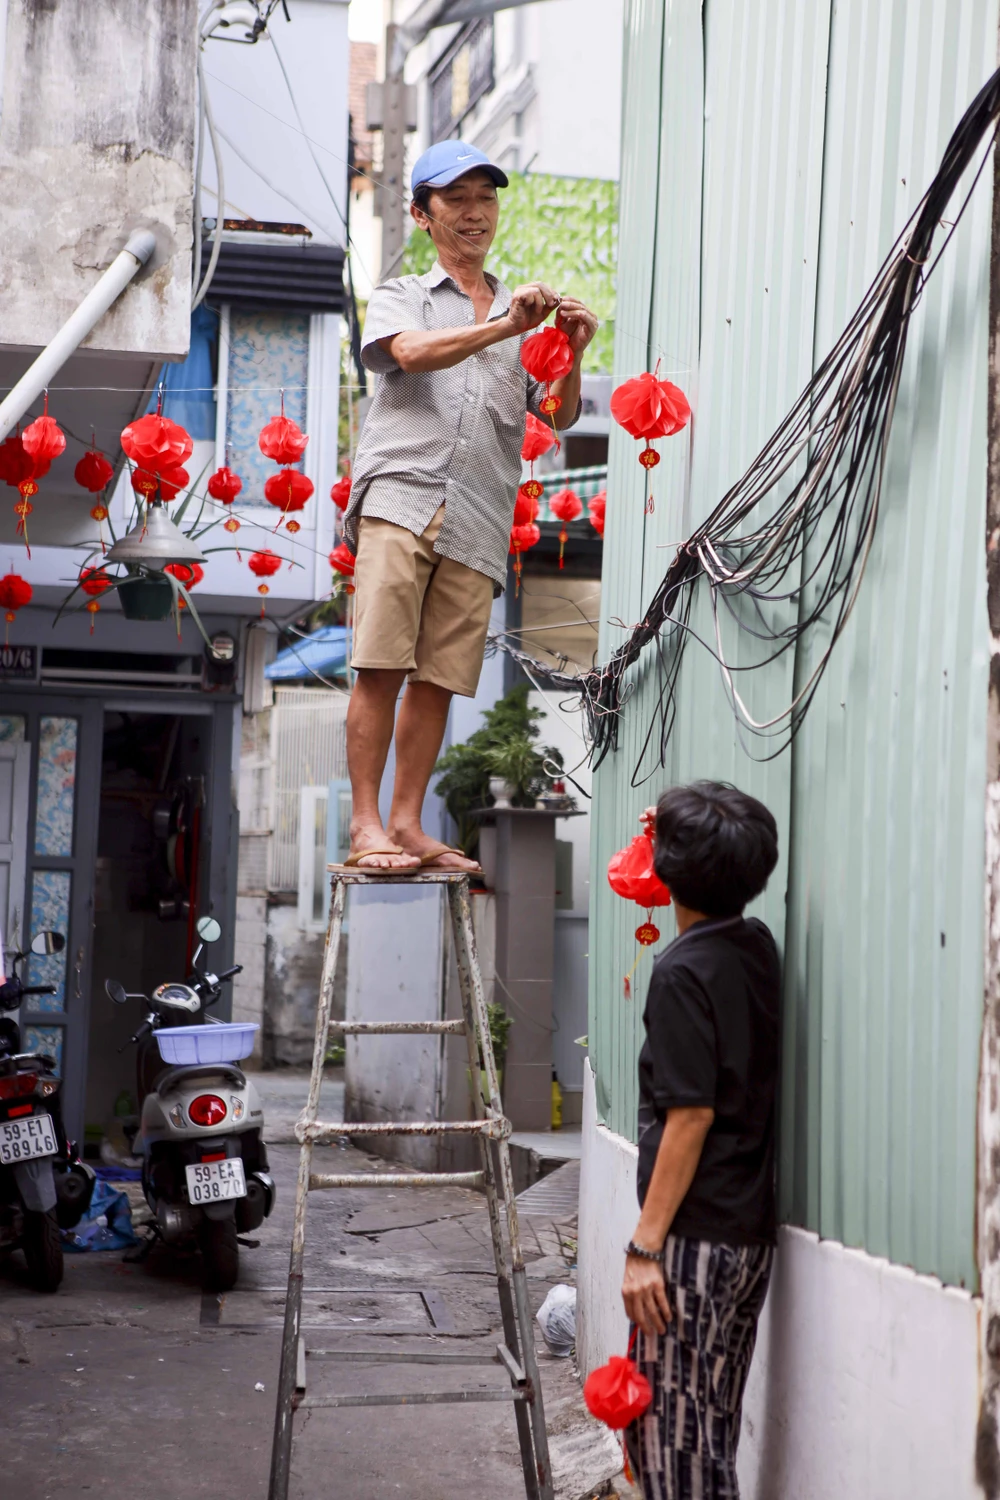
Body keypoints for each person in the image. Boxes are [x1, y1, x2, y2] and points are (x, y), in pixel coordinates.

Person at [341, 140, 598, 872]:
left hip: (482, 511)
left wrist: (571, 352)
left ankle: (407, 823)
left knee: (440, 679)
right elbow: (411, 355)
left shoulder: (518, 311)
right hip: (403, 495)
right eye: (456, 200)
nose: (475, 212)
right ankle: (366, 826)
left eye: (486, 198)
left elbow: (559, 411)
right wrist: (506, 327)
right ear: (423, 215)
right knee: (380, 664)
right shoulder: (404, 294)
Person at [621, 781, 781, 1500]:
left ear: (668, 868)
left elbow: (690, 1116)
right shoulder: (751, 945)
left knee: (673, 1456)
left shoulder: (683, 972)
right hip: (743, 1234)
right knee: (707, 1438)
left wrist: (644, 1247)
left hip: (690, 1243)